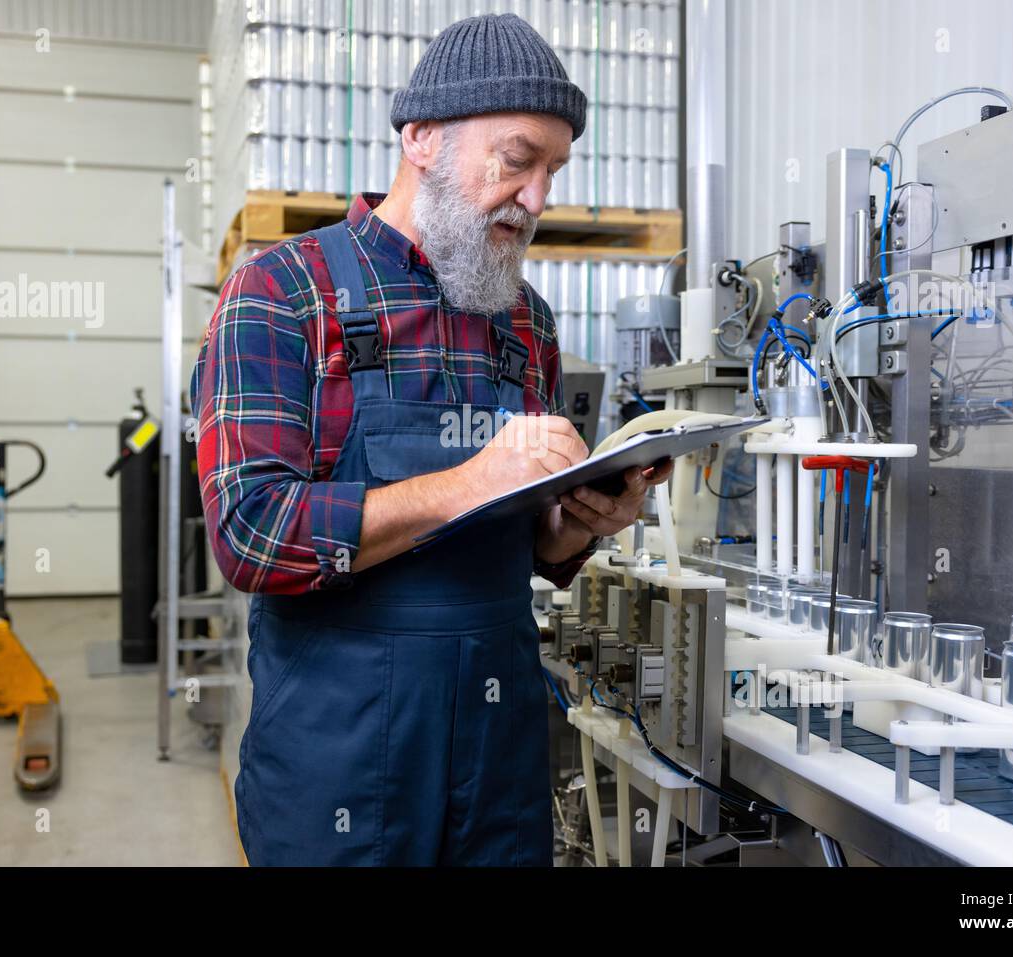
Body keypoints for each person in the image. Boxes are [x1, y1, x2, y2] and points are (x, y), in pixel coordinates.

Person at [192, 12, 672, 866]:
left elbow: (521, 541)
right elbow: (251, 535)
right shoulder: (283, 291)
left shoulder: (527, 322)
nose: (536, 200)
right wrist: (473, 480)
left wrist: (582, 522)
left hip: (498, 756)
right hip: (338, 759)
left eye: (552, 171)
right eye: (518, 160)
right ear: (421, 138)